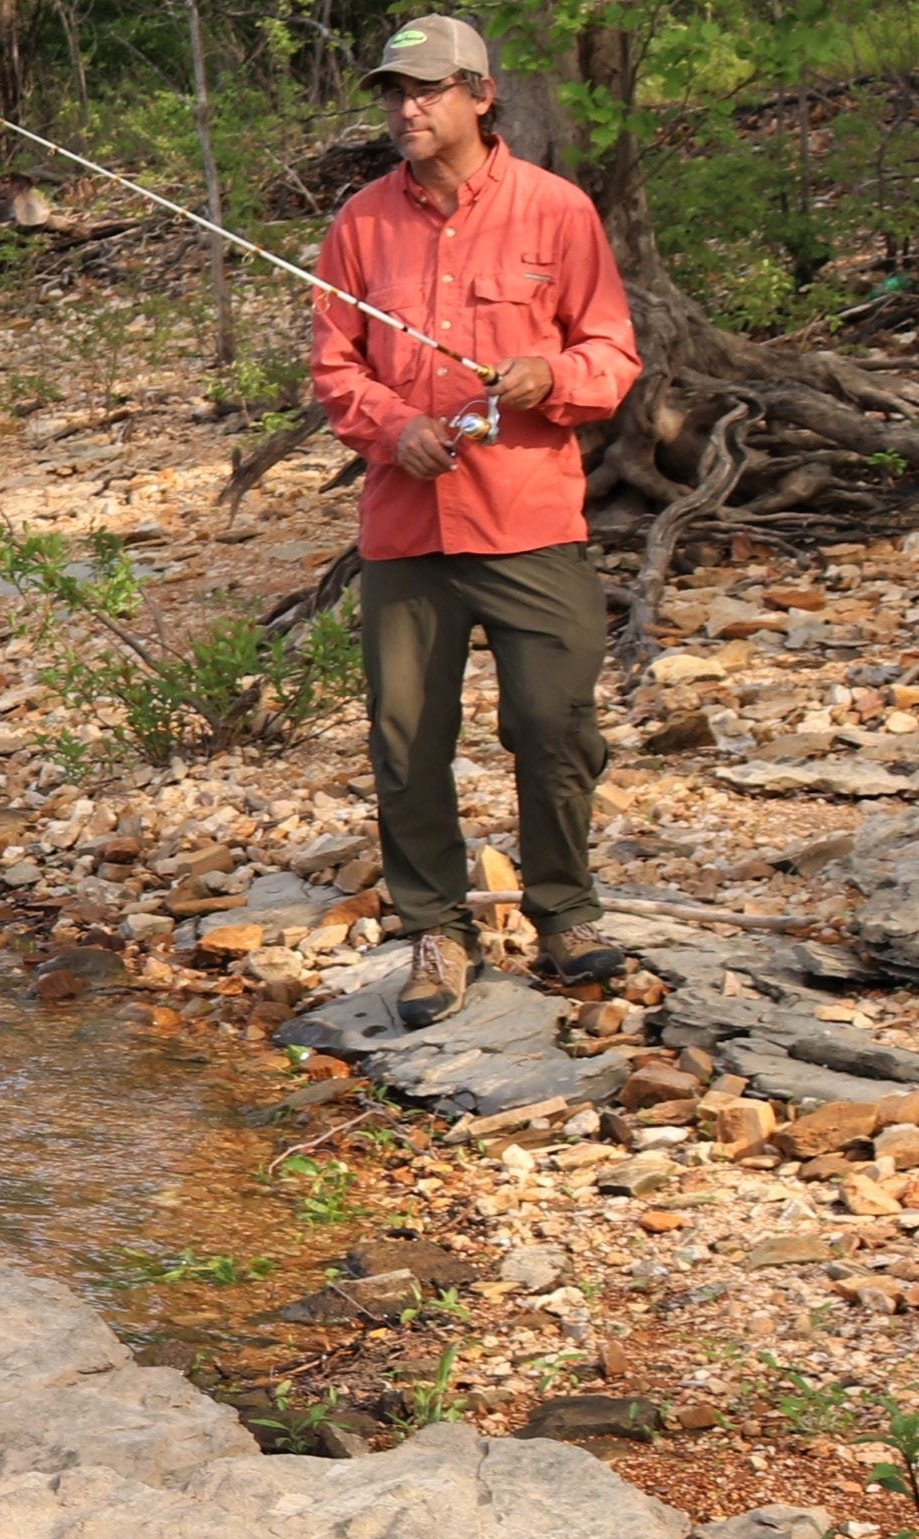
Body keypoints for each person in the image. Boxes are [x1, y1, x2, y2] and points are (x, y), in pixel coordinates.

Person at [309, 14, 642, 1027]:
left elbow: (612, 356)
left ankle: (565, 916)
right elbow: (334, 366)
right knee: (406, 741)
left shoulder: (558, 212)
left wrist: (549, 377)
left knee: (553, 725)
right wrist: (389, 427)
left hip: (531, 521)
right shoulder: (358, 226)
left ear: (479, 95)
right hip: (407, 533)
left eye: (425, 92)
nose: (405, 110)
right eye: (393, 94)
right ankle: (434, 932)